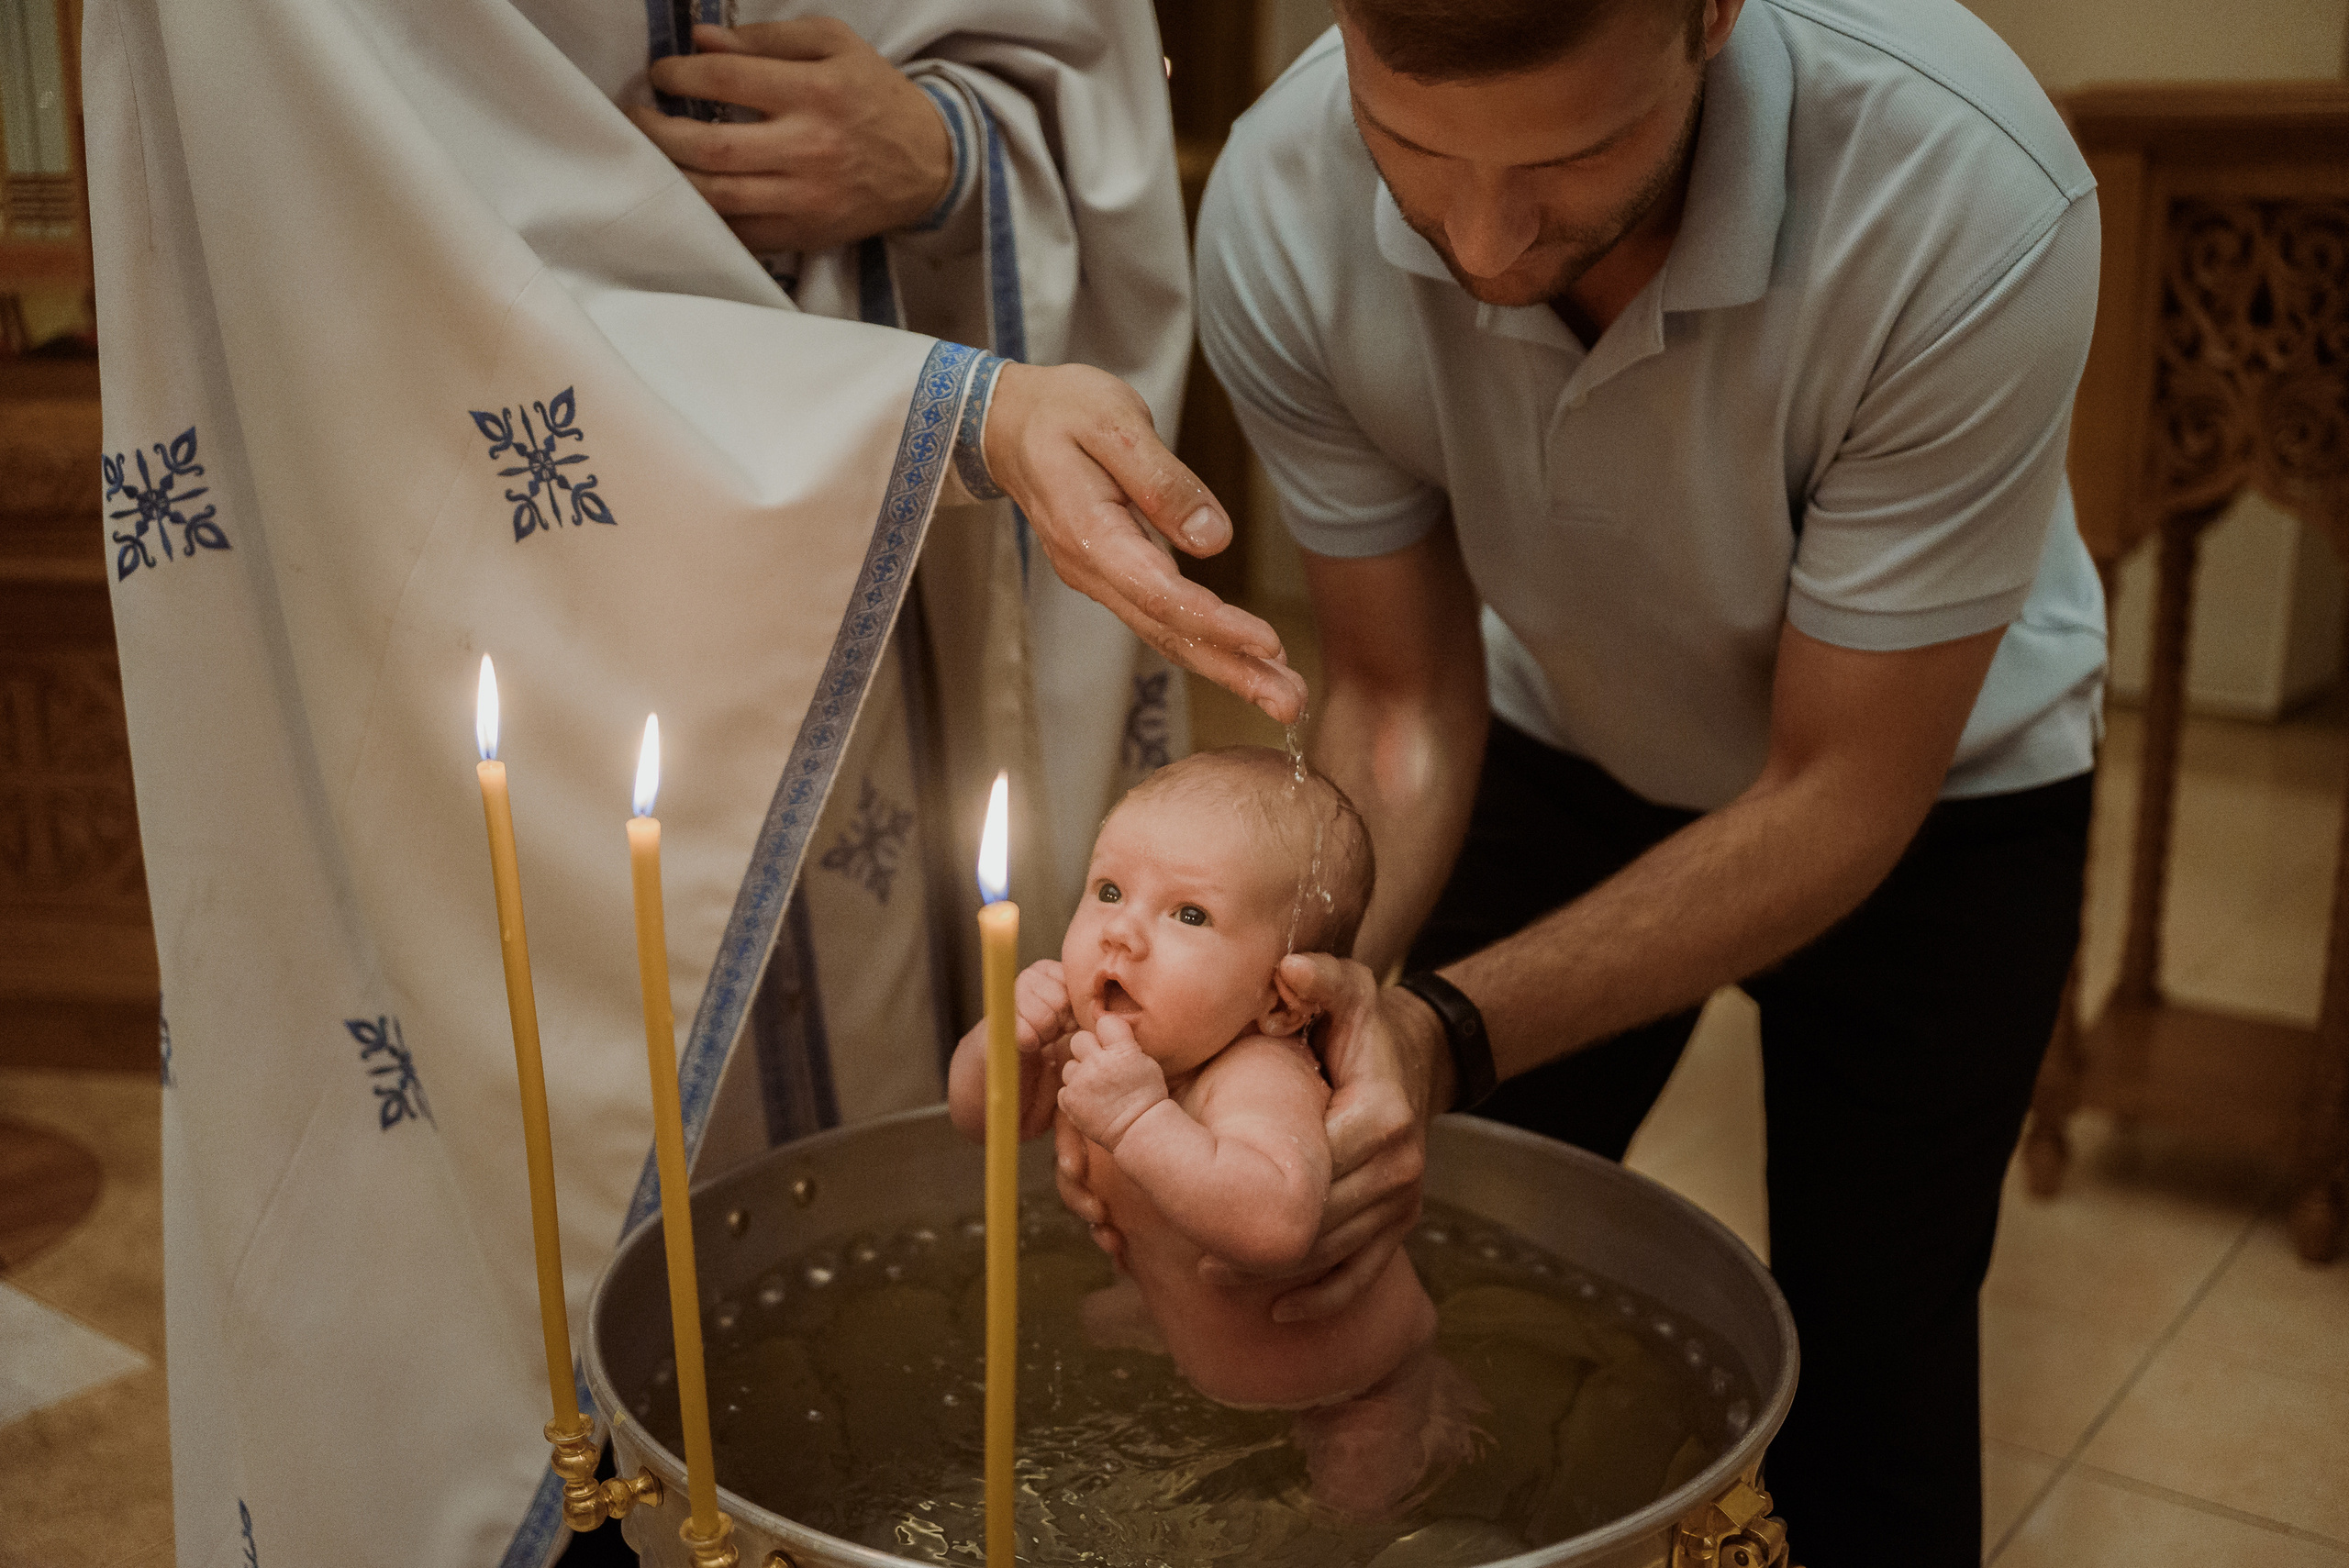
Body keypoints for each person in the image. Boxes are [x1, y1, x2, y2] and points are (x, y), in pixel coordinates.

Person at [84, 1, 1301, 1562]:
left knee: (918, 1340)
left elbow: (1078, 64)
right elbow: (368, 223)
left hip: (903, 625)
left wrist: (947, 157)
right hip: (522, 591)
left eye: (1179, 905)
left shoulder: (1248, 1046)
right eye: (1136, 897)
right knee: (558, 1269)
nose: (1124, 926)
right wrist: (955, 413)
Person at [1152, 0, 2108, 1562]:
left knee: (1867, 1368)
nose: (1480, 235)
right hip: (1557, 724)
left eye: (1575, 152)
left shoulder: (1967, 195)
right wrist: (1315, 1000)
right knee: (1428, 1272)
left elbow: (1837, 788)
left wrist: (1446, 1024)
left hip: (1940, 792)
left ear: (1711, 15)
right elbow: (1398, 689)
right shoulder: (1278, 197)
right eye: (1412, 151)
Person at [947, 749, 1481, 1516]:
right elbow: (983, 1123)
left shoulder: (1258, 1074)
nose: (1121, 934)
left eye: (1189, 914)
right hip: (1189, 1330)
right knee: (1089, 1329)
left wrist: (1136, 1119)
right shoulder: (1104, 1041)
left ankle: (1423, 1408)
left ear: (1283, 999)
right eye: (1108, 890)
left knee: (1354, 1516)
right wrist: (1004, 1041)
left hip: (1350, 1380)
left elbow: (1276, 1222)